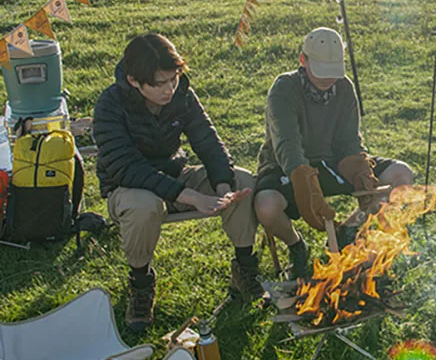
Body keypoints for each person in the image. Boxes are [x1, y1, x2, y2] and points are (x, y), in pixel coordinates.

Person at [93, 34, 262, 332]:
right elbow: (127, 168)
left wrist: (222, 185)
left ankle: (245, 269)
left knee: (243, 181)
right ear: (134, 81)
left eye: (173, 79)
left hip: (174, 174)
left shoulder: (181, 93)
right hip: (129, 187)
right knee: (144, 205)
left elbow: (208, 140)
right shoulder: (109, 105)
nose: (169, 89)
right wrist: (192, 197)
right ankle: (141, 283)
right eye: (160, 84)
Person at [253, 27, 413, 278]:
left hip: (333, 162)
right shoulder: (284, 89)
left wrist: (361, 170)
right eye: (322, 72)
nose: (329, 80)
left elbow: (349, 139)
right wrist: (307, 186)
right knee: (266, 206)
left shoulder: (344, 87)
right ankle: (297, 247)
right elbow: (287, 144)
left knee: (401, 174)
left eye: (334, 72)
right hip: (289, 166)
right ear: (302, 60)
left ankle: (347, 231)